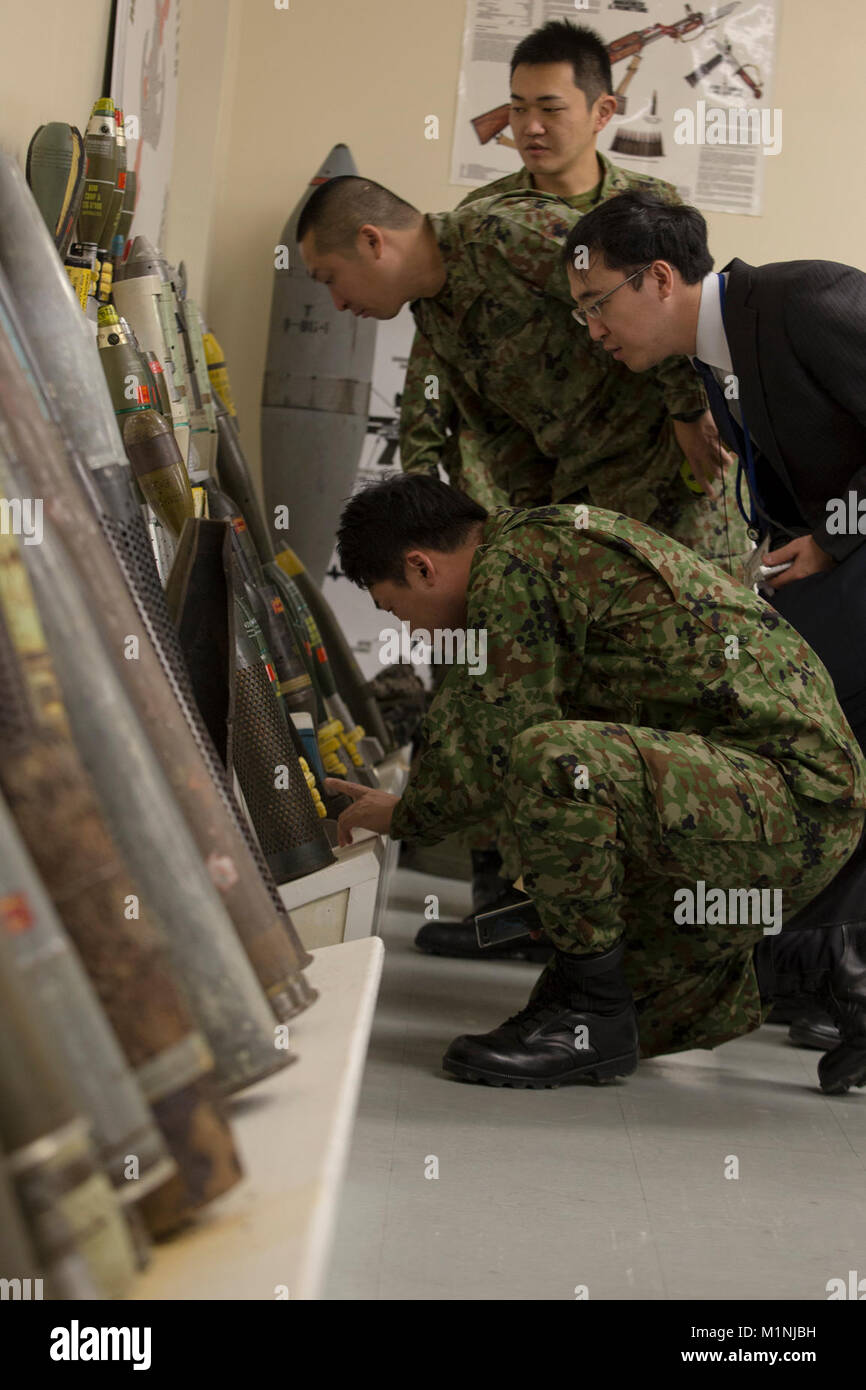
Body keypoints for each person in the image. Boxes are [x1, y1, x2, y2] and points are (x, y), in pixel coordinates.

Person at [324, 474, 866, 1095]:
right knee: (646, 1015)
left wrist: (407, 817)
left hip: (792, 796)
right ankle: (826, 967)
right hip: (772, 794)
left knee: (553, 760)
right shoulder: (531, 550)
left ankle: (590, 1014)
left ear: (421, 567)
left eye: (397, 609)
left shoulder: (516, 568)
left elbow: (497, 731)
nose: (414, 631)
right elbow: (468, 711)